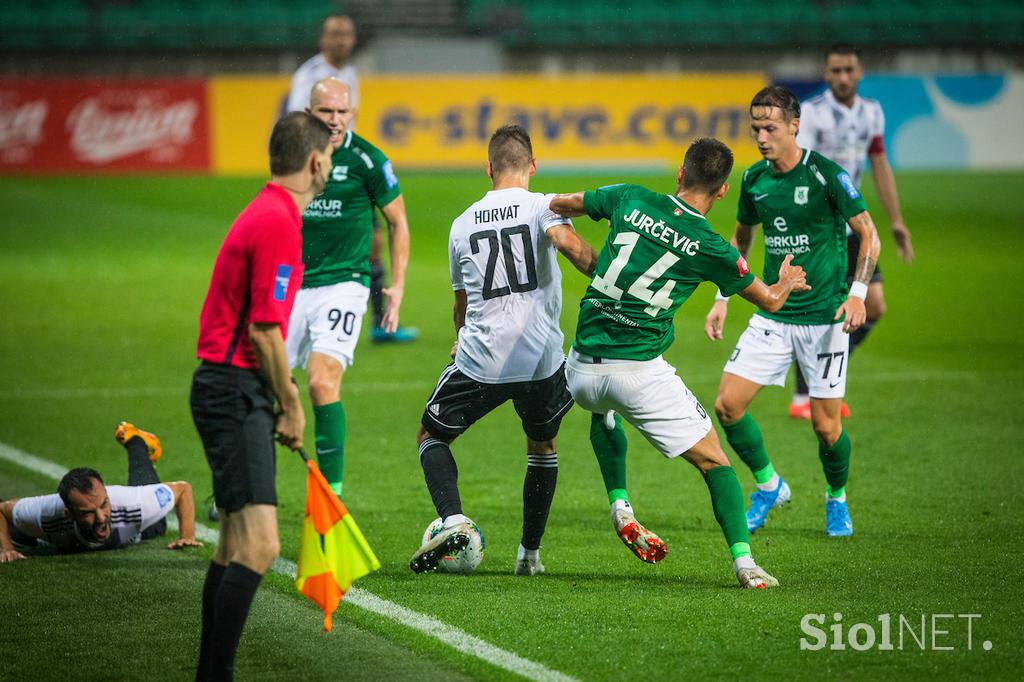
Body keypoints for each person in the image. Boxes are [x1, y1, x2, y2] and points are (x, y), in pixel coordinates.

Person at [551, 137, 808, 589]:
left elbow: (562, 204)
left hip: (580, 371)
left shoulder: (629, 196)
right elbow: (768, 301)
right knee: (716, 464)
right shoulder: (711, 246)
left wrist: (546, 221)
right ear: (723, 190)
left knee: (603, 411)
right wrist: (785, 280)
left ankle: (620, 506)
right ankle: (746, 564)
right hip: (637, 373)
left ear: (680, 174)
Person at [409, 124, 597, 577]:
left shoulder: (461, 223)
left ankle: (452, 520)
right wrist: (605, 273)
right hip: (540, 361)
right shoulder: (543, 206)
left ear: (488, 168)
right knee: (542, 444)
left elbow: (461, 304)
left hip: (481, 359)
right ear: (533, 166)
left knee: (431, 436)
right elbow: (569, 245)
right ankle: (529, 557)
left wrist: (459, 338)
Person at [190, 111, 331, 681]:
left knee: (230, 544)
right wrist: (291, 403)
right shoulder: (278, 222)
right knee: (261, 546)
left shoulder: (265, 210)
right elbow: (265, 331)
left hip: (223, 385)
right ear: (316, 162)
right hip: (233, 389)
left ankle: (209, 673)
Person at [704, 86, 881, 538]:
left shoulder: (825, 175)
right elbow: (741, 241)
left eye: (770, 128)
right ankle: (769, 484)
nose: (761, 137)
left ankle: (836, 498)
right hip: (773, 316)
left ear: (794, 126)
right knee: (727, 406)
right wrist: (724, 297)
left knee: (825, 428)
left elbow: (868, 233)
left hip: (825, 321)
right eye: (755, 128)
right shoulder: (754, 180)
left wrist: (857, 292)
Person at [287, 78, 414, 499]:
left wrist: (396, 286)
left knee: (322, 383)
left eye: (343, 111)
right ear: (310, 113)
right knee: (263, 385)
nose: (336, 119)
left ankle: (330, 495)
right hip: (292, 285)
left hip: (344, 285)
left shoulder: (368, 159)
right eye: (327, 112)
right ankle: (239, 486)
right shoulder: (295, 157)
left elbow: (398, 222)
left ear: (352, 112)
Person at [787, 43, 914, 420]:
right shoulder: (811, 114)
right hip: (823, 228)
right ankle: (804, 396)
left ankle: (817, 379)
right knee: (821, 309)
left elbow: (878, 164)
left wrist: (895, 220)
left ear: (859, 72)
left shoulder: (871, 113)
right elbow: (800, 168)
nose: (843, 77)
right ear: (826, 74)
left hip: (856, 224)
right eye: (836, 70)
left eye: (849, 70)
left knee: (873, 306)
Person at [287, 13, 418, 345]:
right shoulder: (310, 75)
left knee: (374, 244)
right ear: (323, 39)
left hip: (350, 171)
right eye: (335, 34)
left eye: (346, 34)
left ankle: (379, 320)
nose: (341, 40)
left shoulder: (349, 74)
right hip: (316, 168)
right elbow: (293, 124)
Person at [0, 422, 200, 562]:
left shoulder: (132, 503)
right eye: (87, 512)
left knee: (157, 524)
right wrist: (7, 548)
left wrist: (187, 535)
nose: (101, 517)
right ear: (69, 513)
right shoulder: (45, 512)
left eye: (104, 504)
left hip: (136, 524)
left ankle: (135, 440)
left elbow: (183, 489)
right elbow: (2, 509)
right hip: (55, 537)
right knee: (17, 535)